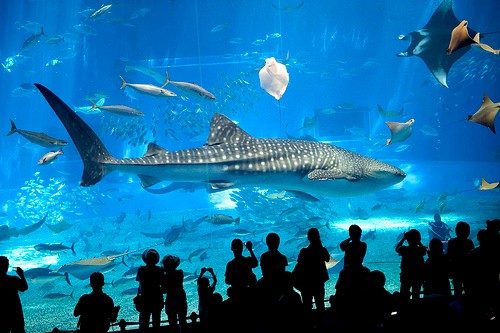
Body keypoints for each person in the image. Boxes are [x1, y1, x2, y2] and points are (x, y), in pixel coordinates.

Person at [136, 248, 165, 333]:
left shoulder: (141, 269)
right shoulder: (160, 270)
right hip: (157, 298)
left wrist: (138, 297)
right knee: (156, 321)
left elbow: (140, 285)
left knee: (143, 322)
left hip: (145, 298)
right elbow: (162, 285)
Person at [395, 228, 427, 303]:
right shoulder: (421, 250)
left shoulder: (404, 249)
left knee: (404, 295)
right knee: (416, 296)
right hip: (418, 276)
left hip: (406, 276)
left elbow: (397, 249)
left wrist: (403, 238)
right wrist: (419, 242)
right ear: (419, 239)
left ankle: (404, 311)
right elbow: (424, 249)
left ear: (408, 240)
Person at [0, 255, 28, 333]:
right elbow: (24, 287)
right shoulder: (12, 279)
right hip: (15, 313)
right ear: (7, 266)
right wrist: (21, 275)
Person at [446, 221, 474, 298]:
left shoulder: (452, 242)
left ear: (456, 231)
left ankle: (457, 307)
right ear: (468, 232)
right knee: (469, 290)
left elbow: (448, 256)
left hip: (456, 270)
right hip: (467, 270)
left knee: (457, 291)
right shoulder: (469, 242)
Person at [162, 254, 187, 333]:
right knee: (182, 320)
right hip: (181, 297)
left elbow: (164, 290)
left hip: (171, 299)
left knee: (172, 321)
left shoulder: (165, 276)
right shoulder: (180, 272)